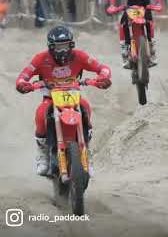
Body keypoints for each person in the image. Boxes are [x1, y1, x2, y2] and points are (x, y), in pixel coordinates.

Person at [15, 26, 112, 176]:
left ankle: (87, 150)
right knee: (41, 114)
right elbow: (24, 74)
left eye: (66, 46)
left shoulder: (80, 56)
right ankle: (43, 155)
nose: (63, 51)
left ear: (71, 45)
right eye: (59, 47)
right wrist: (23, 83)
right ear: (51, 47)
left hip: (73, 95)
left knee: (85, 107)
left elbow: (102, 68)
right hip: (50, 97)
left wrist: (103, 77)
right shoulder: (40, 58)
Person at [108, 0, 163, 68]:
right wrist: (112, 5)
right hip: (131, 3)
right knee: (123, 24)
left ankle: (152, 50)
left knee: (149, 23)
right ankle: (124, 48)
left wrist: (157, 2)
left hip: (145, 3)